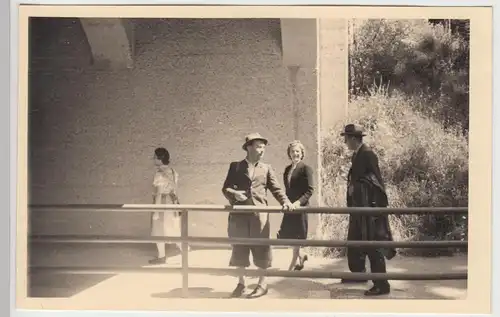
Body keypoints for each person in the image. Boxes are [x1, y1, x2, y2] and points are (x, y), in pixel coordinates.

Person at [222, 132, 295, 298]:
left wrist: (286, 202)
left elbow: (276, 189)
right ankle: (241, 284)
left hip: (259, 217)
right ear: (248, 147)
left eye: (263, 147)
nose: (262, 150)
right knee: (239, 249)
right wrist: (234, 194)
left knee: (262, 250)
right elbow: (225, 188)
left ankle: (263, 284)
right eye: (258, 146)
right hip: (239, 216)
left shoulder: (266, 168)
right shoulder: (236, 166)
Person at [341, 124, 397, 296]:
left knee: (373, 244)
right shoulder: (358, 154)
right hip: (360, 207)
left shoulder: (367, 154)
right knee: (356, 242)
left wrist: (357, 189)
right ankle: (359, 274)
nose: (344, 141)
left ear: (353, 138)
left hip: (370, 209)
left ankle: (382, 284)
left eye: (346, 138)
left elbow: (376, 182)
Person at [277, 140, 315, 271]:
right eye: (292, 151)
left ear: (302, 153)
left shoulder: (306, 169)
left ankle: (291, 266)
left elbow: (310, 190)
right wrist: (286, 203)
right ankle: (302, 256)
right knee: (290, 236)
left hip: (300, 207)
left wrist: (298, 203)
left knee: (297, 237)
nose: (295, 154)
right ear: (289, 153)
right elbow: (287, 190)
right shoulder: (287, 170)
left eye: (297, 151)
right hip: (290, 207)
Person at [149, 147, 183, 265]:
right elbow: (175, 189)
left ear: (160, 159)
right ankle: (186, 250)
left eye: (155, 157)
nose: (153, 159)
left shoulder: (159, 174)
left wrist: (156, 211)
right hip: (172, 202)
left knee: (159, 228)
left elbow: (159, 193)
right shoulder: (173, 171)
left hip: (162, 203)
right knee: (173, 228)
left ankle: (161, 256)